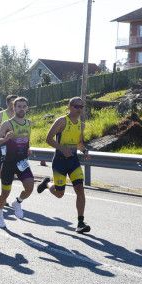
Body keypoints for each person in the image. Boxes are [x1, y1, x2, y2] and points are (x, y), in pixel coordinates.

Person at [38, 97, 91, 234]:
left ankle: (80, 222)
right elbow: (48, 139)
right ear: (69, 107)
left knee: (80, 189)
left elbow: (79, 143)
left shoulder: (81, 124)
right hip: (60, 161)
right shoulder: (62, 121)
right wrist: (62, 148)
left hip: (73, 160)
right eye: (76, 106)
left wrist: (84, 150)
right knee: (59, 194)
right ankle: (47, 184)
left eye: (81, 107)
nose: (79, 109)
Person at [0, 96, 36, 229]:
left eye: (24, 106)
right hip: (9, 163)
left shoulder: (28, 123)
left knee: (30, 187)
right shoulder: (7, 124)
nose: (21, 109)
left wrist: (28, 149)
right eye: (19, 106)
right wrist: (5, 139)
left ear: (27, 108)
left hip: (22, 162)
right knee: (5, 193)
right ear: (14, 108)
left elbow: (26, 140)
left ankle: (17, 202)